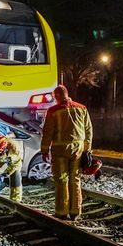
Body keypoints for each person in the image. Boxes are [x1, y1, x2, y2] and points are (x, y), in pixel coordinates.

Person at [40, 84, 94, 219]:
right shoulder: (82, 108)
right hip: (78, 149)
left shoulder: (53, 110)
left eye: (54, 97)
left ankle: (62, 212)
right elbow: (88, 130)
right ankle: (75, 211)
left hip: (60, 150)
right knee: (75, 178)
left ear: (57, 96)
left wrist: (44, 150)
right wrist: (87, 150)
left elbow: (48, 132)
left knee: (62, 179)